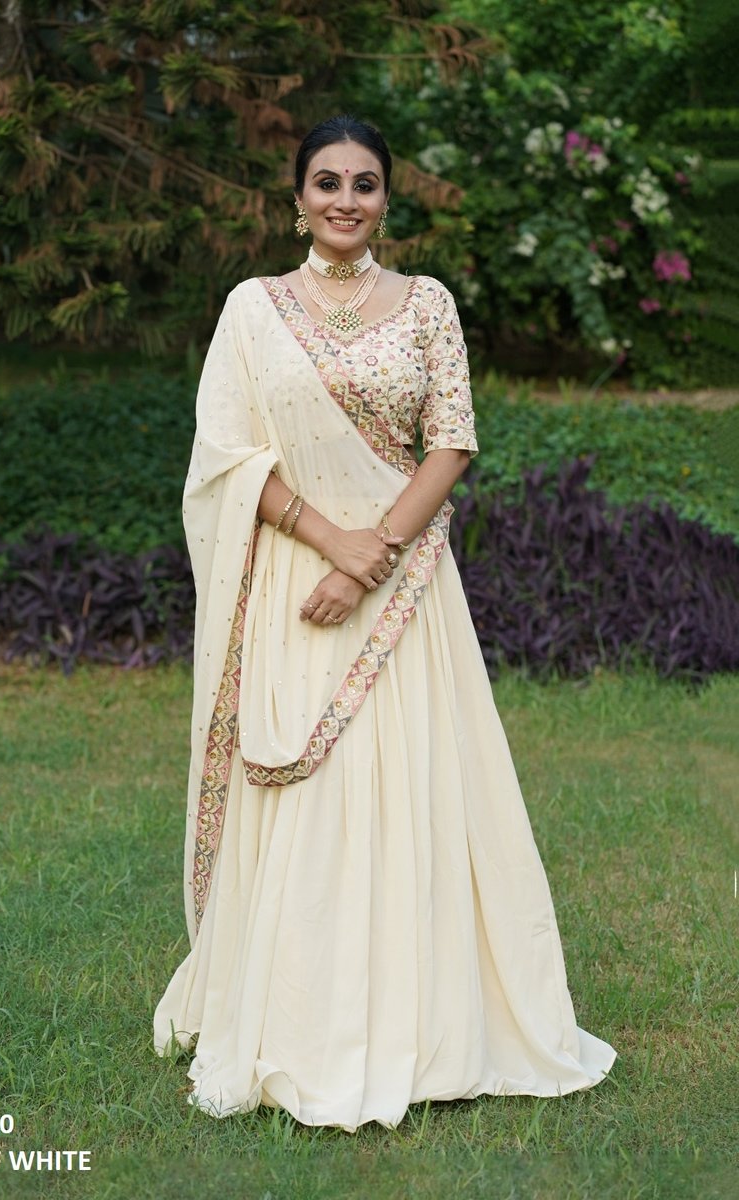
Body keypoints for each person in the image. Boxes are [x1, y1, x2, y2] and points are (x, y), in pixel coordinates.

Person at [153, 114, 616, 1131]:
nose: (345, 200)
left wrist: (376, 554)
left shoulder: (426, 304)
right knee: (307, 799)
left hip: (405, 589)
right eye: (327, 182)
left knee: (413, 785)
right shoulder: (252, 309)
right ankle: (295, 1021)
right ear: (297, 198)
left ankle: (424, 1020)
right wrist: (334, 544)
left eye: (363, 184)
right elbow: (227, 456)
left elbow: (451, 441)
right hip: (292, 580)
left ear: (385, 200)